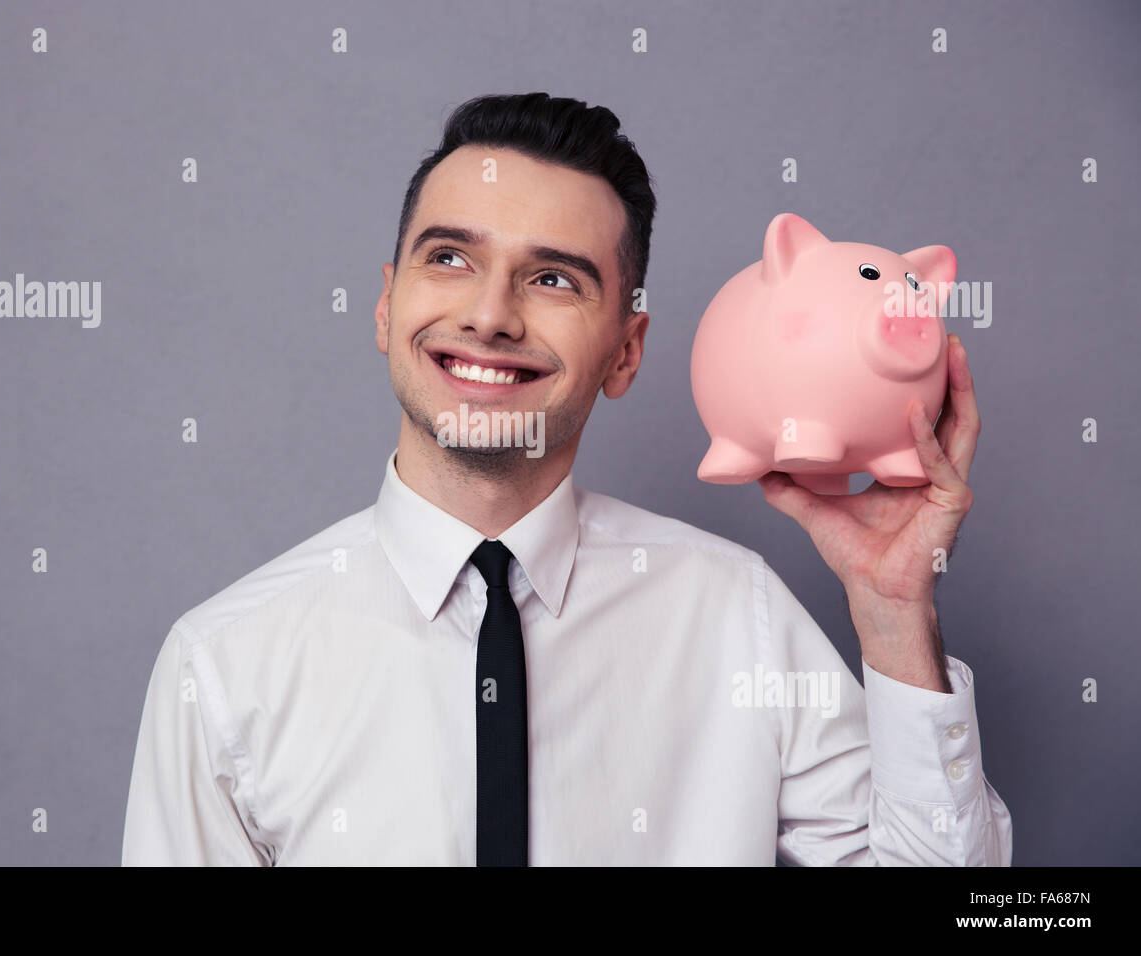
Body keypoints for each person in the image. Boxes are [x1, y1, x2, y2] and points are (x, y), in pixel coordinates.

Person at [121, 92, 1012, 866]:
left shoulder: (735, 616)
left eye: (553, 277)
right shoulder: (223, 663)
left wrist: (897, 616)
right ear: (389, 305)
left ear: (625, 351)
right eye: (450, 259)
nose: (489, 315)